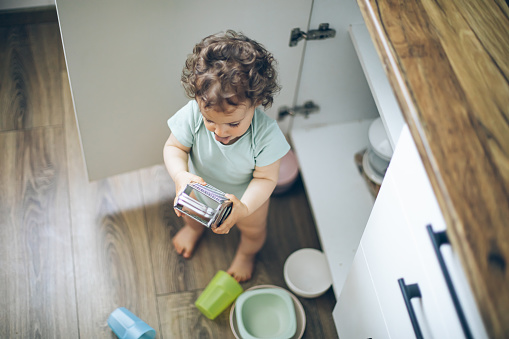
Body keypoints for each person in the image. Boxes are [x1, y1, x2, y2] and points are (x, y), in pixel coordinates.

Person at [163, 30, 290, 282]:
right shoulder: (193, 114)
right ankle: (193, 231)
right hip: (198, 188)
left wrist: (243, 208)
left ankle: (245, 255)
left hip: (246, 200)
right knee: (192, 216)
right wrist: (180, 175)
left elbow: (265, 179)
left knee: (253, 232)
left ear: (257, 102)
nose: (220, 132)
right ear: (199, 101)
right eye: (210, 120)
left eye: (233, 124)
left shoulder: (266, 135)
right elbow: (174, 148)